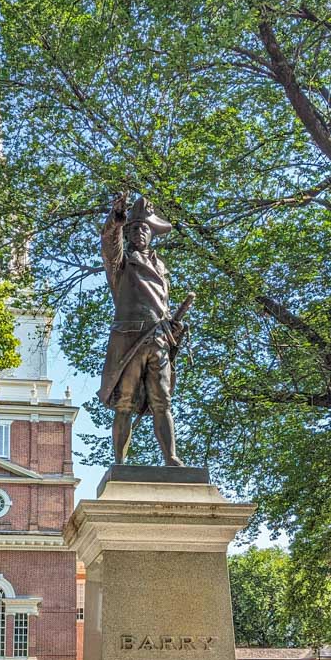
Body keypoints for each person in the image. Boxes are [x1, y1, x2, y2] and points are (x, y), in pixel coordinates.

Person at [98, 192, 191, 465]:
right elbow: (108, 243)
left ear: (152, 234)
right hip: (130, 340)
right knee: (124, 403)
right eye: (134, 228)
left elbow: (160, 305)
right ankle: (119, 461)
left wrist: (173, 324)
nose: (139, 232)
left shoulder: (161, 268)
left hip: (159, 339)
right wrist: (116, 220)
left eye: (144, 228)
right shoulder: (121, 264)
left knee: (163, 401)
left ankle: (171, 457)